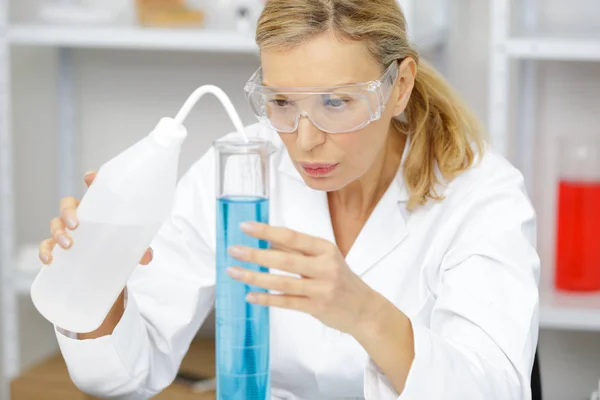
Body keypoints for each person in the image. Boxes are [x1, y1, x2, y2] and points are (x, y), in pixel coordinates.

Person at [38, 0, 540, 398]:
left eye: (336, 102)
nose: (303, 140)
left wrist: (363, 312)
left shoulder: (479, 195)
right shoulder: (241, 171)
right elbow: (125, 376)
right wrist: (95, 279)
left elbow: (491, 390)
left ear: (399, 86)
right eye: (281, 103)